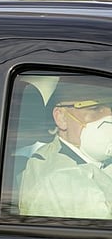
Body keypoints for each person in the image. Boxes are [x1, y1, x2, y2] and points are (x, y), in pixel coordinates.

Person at [18, 78, 112, 219]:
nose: (109, 116)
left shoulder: (96, 157)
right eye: (95, 108)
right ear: (61, 117)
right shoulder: (54, 177)